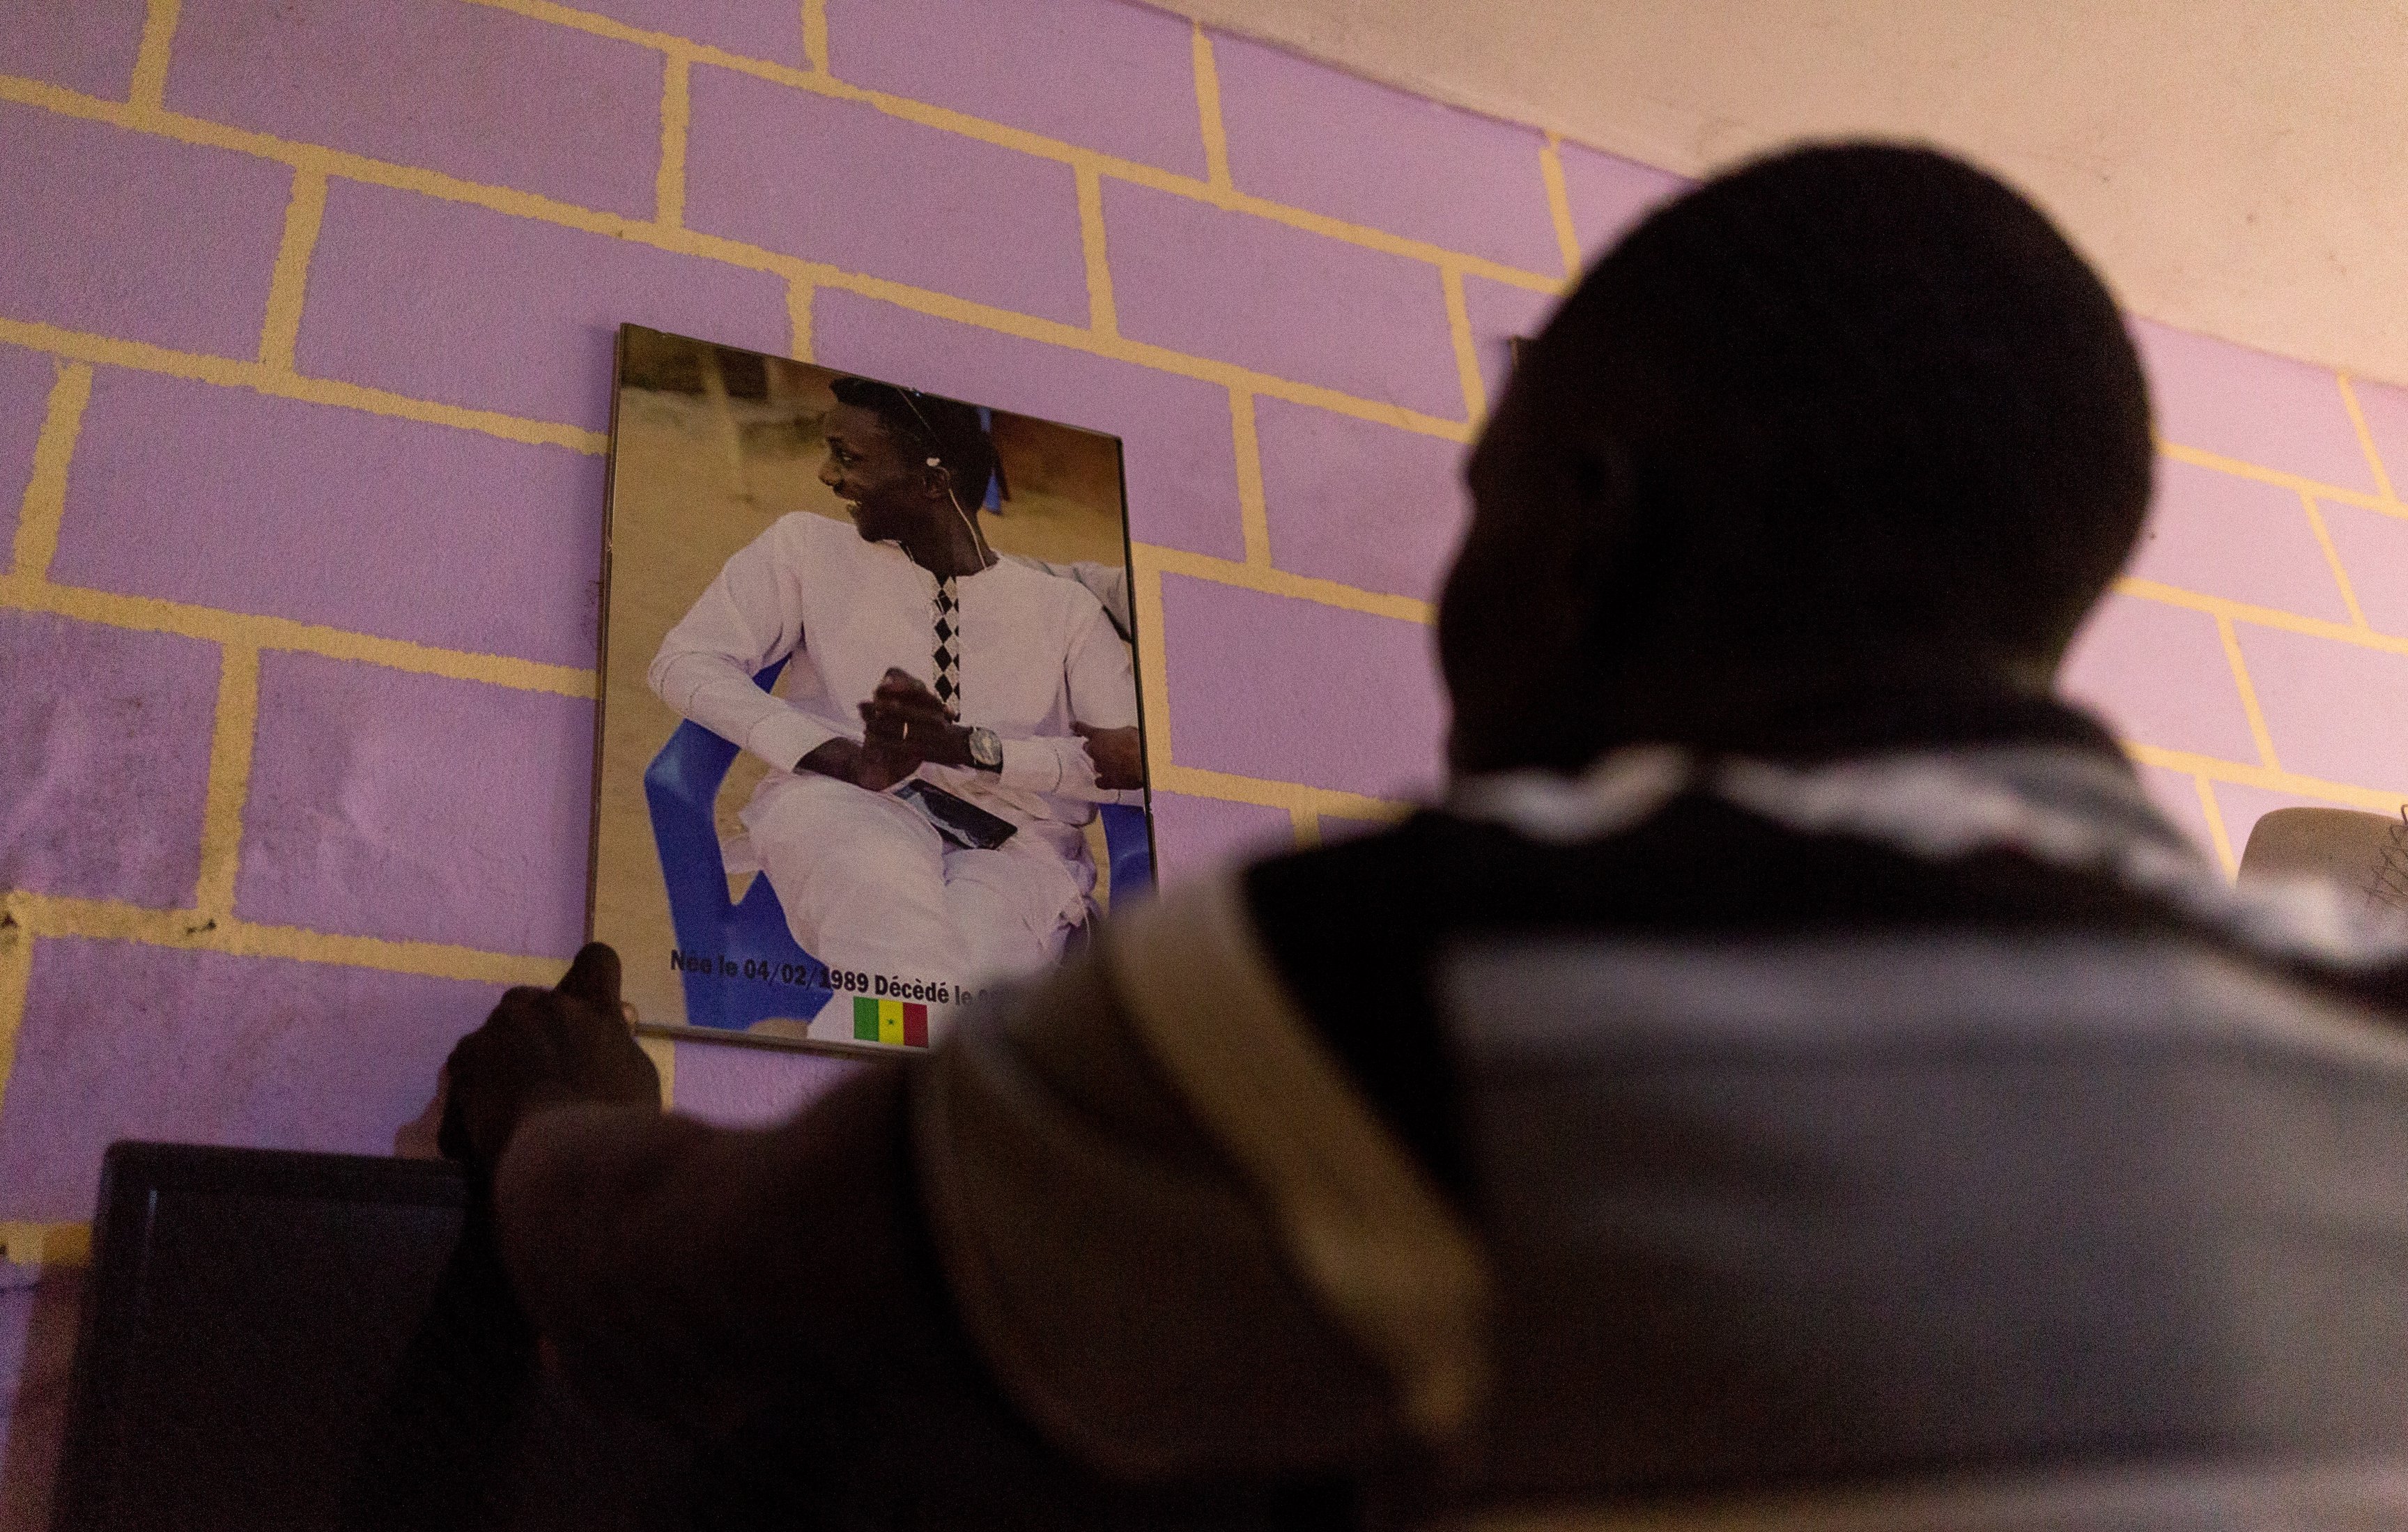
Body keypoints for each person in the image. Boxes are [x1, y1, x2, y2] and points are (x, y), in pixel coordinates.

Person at [444, 144, 2408, 1526]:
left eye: (1476, 509)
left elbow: (684, 1286)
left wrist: (553, 1110)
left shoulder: (1428, 965)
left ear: (1582, 522)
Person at [647, 378, 1143, 1028]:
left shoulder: (1067, 613)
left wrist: (974, 749)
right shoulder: (804, 549)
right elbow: (685, 659)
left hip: (1018, 850)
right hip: (846, 805)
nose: (826, 474)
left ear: (933, 480)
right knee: (919, 981)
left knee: (937, 1005)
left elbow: (1125, 767)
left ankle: (850, 1100)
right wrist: (837, 755)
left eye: (849, 457)